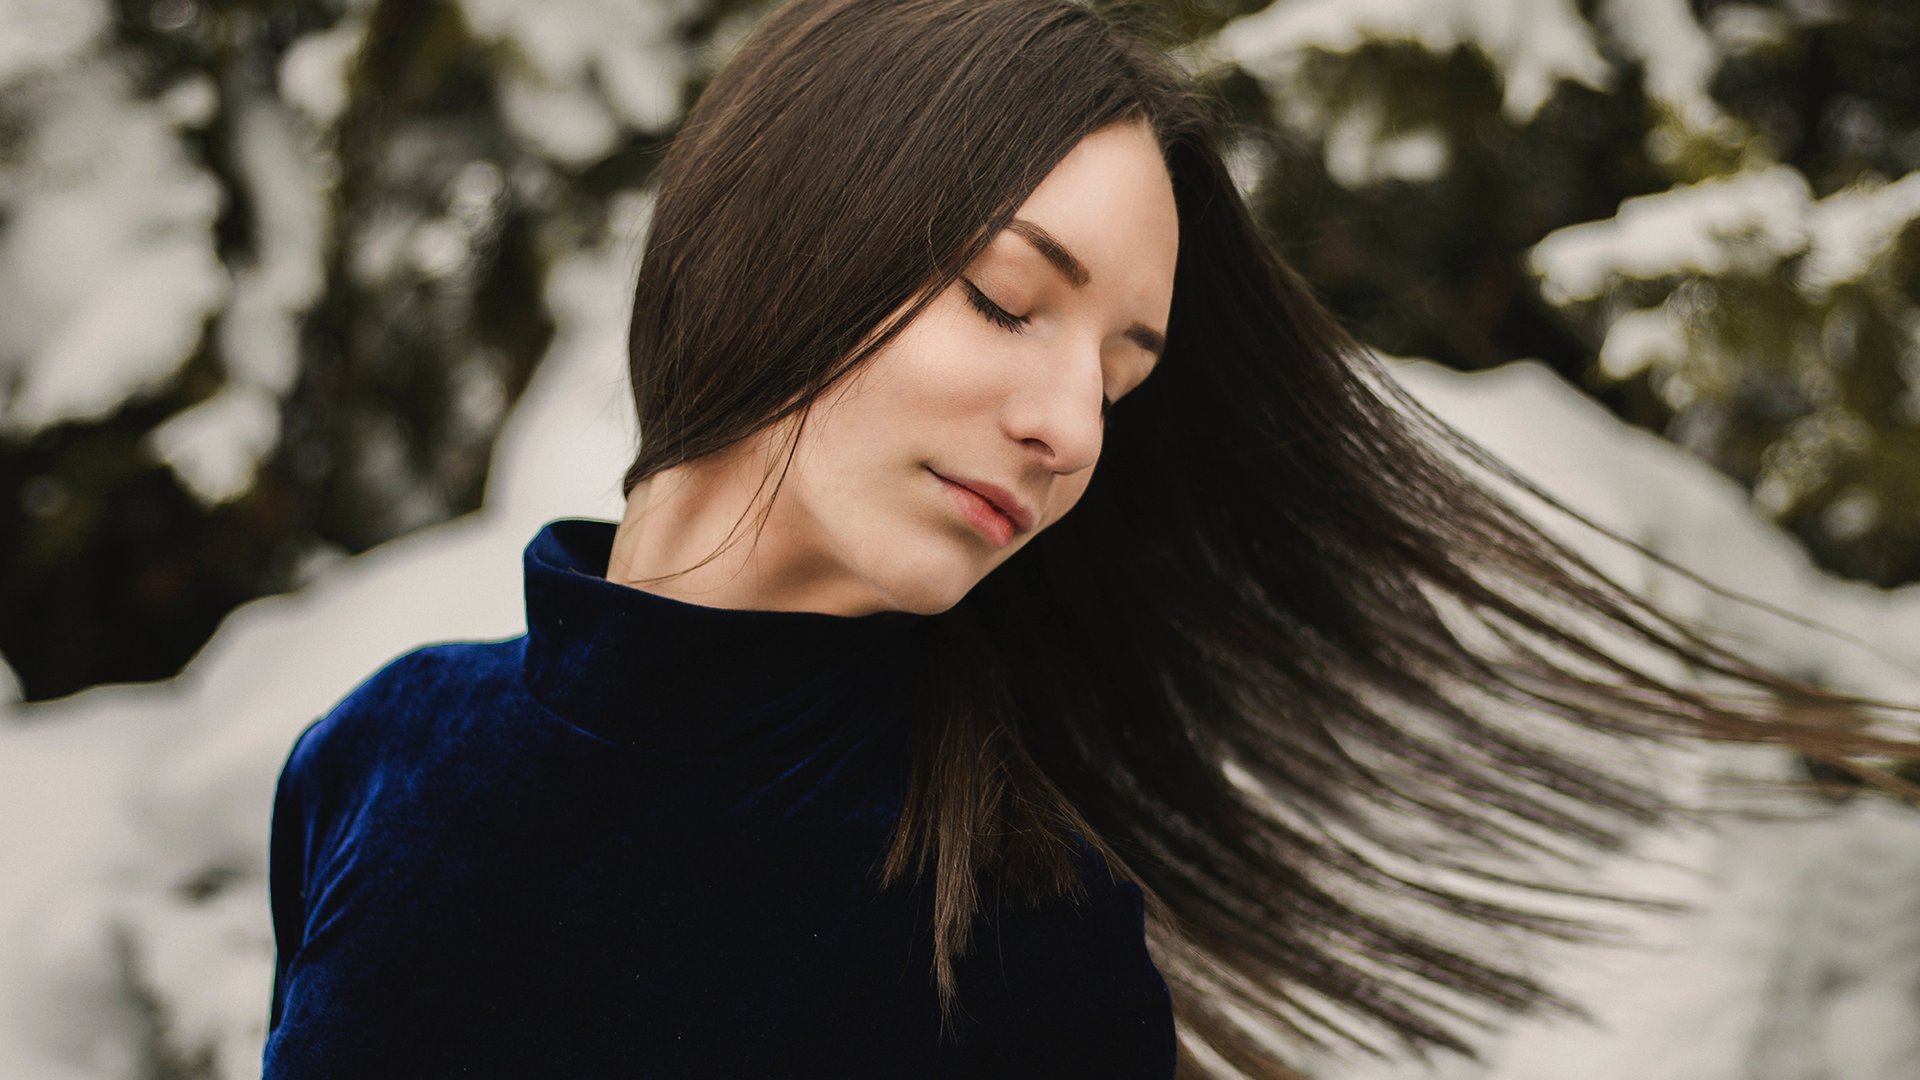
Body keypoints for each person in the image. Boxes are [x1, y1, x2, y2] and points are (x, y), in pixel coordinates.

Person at [261, 0, 1920, 1077]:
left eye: (1126, 376)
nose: (1071, 428)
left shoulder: (1011, 919)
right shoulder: (376, 756)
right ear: (794, 233)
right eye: (1009, 298)